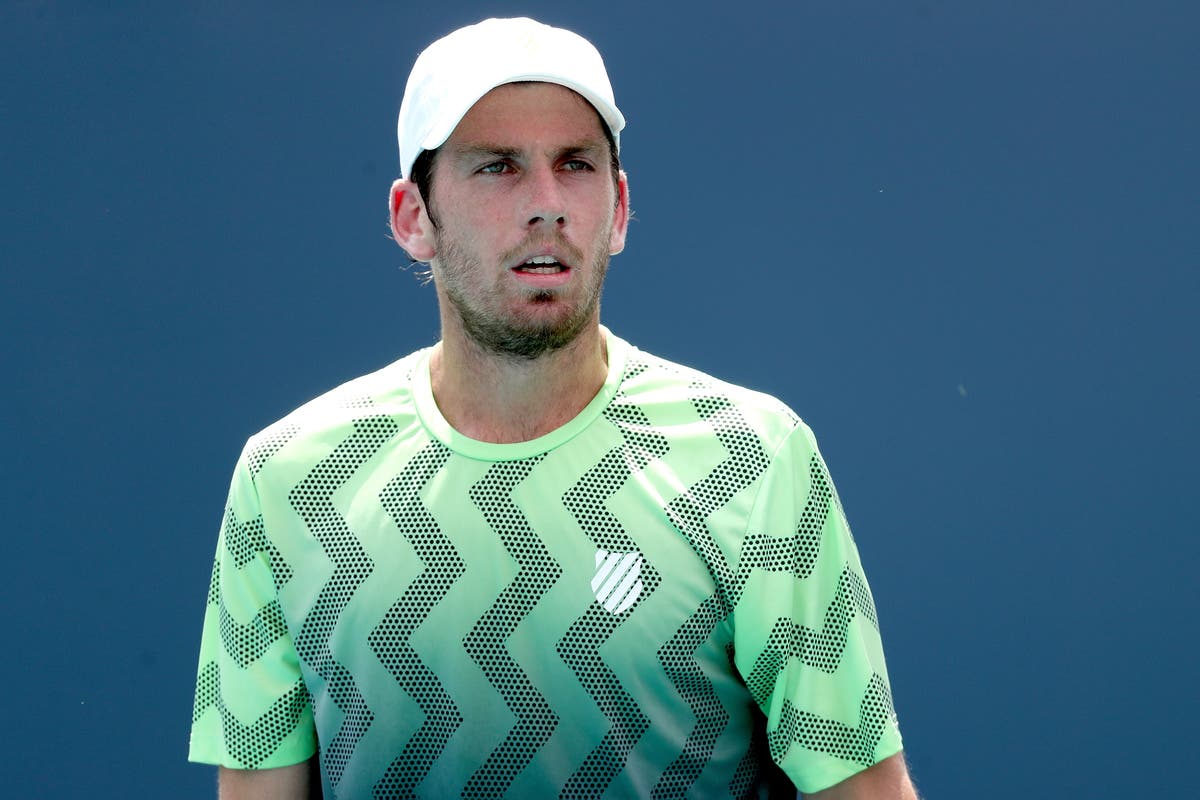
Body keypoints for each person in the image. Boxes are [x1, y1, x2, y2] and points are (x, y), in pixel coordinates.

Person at [188, 17, 918, 799]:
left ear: (620, 208)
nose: (547, 204)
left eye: (575, 164)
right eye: (498, 167)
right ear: (412, 218)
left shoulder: (755, 459)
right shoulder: (284, 479)